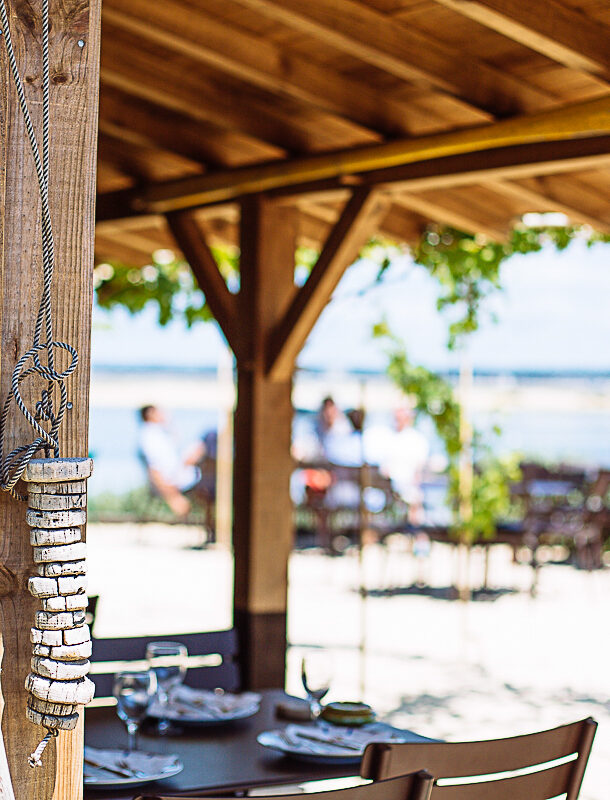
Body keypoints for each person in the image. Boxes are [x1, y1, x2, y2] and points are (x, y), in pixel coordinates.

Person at [137, 405, 205, 518]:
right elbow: (154, 469)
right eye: (158, 412)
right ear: (150, 414)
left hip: (177, 476)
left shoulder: (156, 433)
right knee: (206, 444)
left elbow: (176, 436)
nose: (162, 414)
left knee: (202, 447)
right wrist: (173, 497)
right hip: (174, 480)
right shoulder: (149, 436)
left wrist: (167, 423)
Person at [379, 405, 429, 524]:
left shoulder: (416, 439)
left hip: (408, 483)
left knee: (412, 494)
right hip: (390, 484)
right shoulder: (389, 437)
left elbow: (420, 467)